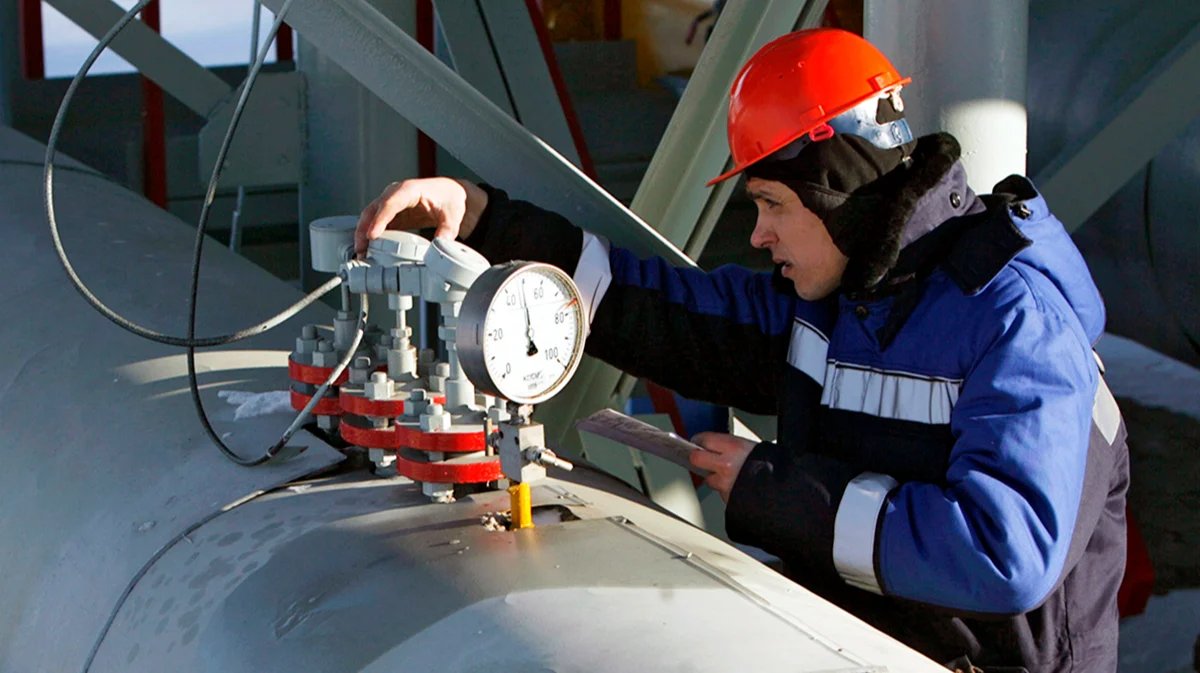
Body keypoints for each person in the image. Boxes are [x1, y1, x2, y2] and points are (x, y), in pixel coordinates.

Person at [356, 28, 1128, 673]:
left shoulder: (1015, 318)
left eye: (771, 205)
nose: (758, 234)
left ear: (838, 189)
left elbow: (1005, 551)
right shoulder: (841, 301)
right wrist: (488, 220)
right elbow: (667, 308)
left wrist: (775, 490)